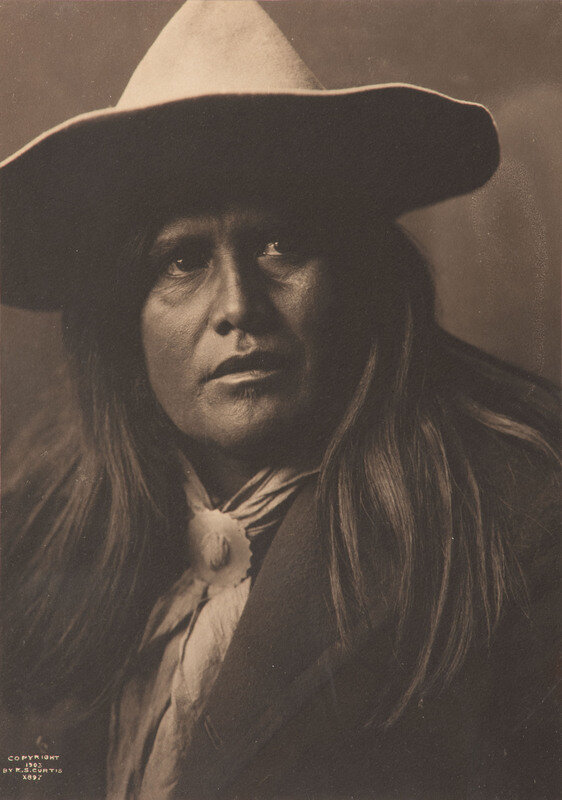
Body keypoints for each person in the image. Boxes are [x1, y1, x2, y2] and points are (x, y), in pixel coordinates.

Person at [1, 2, 559, 799]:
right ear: (122, 318)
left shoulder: (519, 532)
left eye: (281, 244)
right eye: (183, 260)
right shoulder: (33, 540)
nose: (239, 306)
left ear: (359, 275)